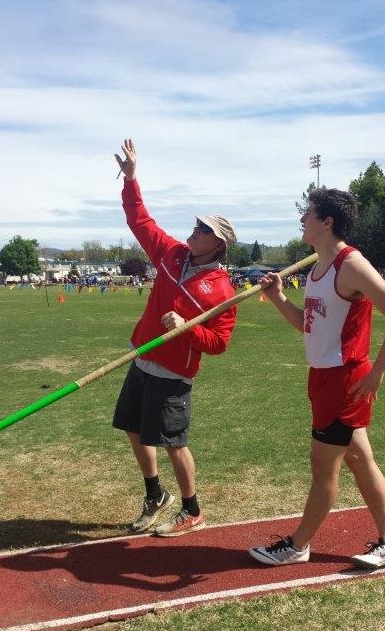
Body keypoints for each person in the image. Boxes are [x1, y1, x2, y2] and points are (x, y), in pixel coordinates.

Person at [249, 188, 385, 569]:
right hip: (323, 377)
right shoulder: (317, 268)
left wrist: (377, 373)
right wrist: (276, 297)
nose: (302, 220)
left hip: (345, 380)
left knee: (324, 466)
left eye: (308, 214)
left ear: (327, 222)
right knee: (359, 459)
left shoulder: (350, 264)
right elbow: (308, 328)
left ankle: (297, 545)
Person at [113, 139, 237, 536]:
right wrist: (132, 179)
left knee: (173, 443)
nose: (195, 231)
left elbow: (218, 343)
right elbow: (140, 222)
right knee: (133, 427)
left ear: (218, 244)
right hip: (143, 358)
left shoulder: (222, 290)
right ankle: (155, 495)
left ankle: (192, 509)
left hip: (173, 373)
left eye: (203, 230)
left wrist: (186, 327)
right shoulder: (171, 254)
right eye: (197, 225)